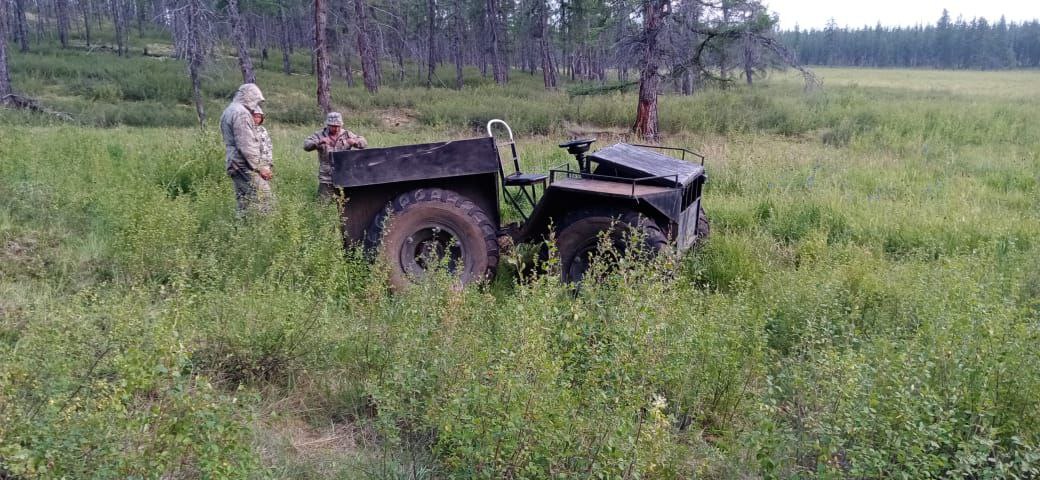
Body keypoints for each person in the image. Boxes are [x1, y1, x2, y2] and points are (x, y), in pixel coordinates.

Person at [220, 83, 272, 216]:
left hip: (234, 163)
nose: (256, 104)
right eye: (256, 100)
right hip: (243, 164)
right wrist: (261, 167)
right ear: (249, 97)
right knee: (264, 197)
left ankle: (242, 232)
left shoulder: (229, 110)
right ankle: (261, 231)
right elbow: (246, 145)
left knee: (244, 202)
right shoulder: (241, 113)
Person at [303, 112, 367, 201]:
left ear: (341, 125)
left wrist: (355, 142)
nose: (336, 128)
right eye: (333, 126)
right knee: (323, 203)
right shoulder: (320, 135)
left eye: (338, 126)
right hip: (326, 176)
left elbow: (363, 143)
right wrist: (318, 142)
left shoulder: (347, 134)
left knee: (346, 202)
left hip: (344, 174)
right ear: (328, 125)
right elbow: (306, 146)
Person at [252, 108, 275, 213]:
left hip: (265, 167)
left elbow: (268, 148)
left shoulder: (263, 130)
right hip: (254, 168)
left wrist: (268, 167)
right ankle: (262, 217)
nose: (256, 119)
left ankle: (263, 217)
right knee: (264, 194)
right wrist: (260, 168)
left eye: (259, 116)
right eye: (254, 116)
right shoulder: (247, 130)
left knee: (264, 194)